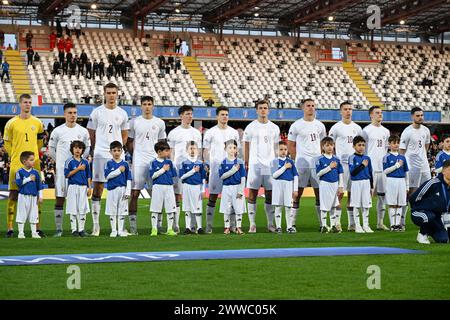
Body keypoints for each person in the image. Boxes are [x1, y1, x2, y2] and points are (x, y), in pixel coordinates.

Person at [87, 82, 129, 237]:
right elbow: (90, 133)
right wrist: (95, 148)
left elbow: (124, 134)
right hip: (100, 153)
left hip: (117, 154)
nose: (111, 95)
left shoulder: (123, 113)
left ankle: (120, 227)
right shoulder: (97, 112)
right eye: (109, 93)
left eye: (114, 93)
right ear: (104, 94)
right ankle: (96, 226)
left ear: (117, 94)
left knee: (121, 189)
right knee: (98, 188)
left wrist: (118, 150)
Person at [3, 94, 45, 238]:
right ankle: (10, 227)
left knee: (36, 195)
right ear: (20, 104)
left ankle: (37, 228)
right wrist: (15, 155)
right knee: (14, 194)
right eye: (25, 102)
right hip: (16, 164)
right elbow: (7, 143)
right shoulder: (11, 123)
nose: (27, 105)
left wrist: (34, 156)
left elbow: (40, 143)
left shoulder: (38, 123)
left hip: (35, 163)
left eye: (29, 102)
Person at [48, 103, 90, 237]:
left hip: (78, 172)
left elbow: (87, 148)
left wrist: (78, 161)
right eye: (70, 113)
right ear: (64, 114)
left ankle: (80, 229)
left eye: (75, 113)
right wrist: (61, 163)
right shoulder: (58, 131)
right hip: (62, 173)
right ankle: (59, 229)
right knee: (60, 199)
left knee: (79, 201)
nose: (73, 115)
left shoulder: (83, 131)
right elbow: (51, 150)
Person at [127, 96, 166, 235]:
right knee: (135, 192)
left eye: (150, 104)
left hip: (155, 161)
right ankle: (133, 226)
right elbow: (129, 142)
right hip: (139, 161)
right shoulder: (134, 122)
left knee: (157, 193)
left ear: (153, 106)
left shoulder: (160, 123)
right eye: (144, 104)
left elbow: (162, 143)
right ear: (141, 106)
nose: (147, 106)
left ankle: (158, 226)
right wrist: (135, 154)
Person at [288, 99, 326, 232]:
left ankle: (323, 224)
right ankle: (291, 224)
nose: (311, 108)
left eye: (313, 106)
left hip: (316, 164)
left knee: (319, 194)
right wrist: (295, 160)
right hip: (301, 164)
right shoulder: (296, 125)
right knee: (297, 194)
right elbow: (291, 145)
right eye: (308, 106)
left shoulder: (320, 125)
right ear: (303, 108)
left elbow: (323, 144)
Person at [244, 99, 280, 233]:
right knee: (252, 194)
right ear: (256, 110)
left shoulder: (274, 128)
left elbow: (276, 147)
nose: (263, 110)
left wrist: (276, 162)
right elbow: (246, 145)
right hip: (255, 164)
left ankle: (270, 224)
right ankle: (252, 224)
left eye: (265, 108)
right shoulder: (251, 127)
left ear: (268, 110)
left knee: (270, 194)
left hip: (269, 165)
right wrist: (247, 161)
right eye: (260, 108)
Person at [203, 106, 240, 233]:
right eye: (222, 114)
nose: (225, 116)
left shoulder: (234, 132)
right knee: (212, 196)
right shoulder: (210, 132)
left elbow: (237, 151)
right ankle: (208, 225)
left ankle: (233, 226)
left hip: (232, 169)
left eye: (226, 114)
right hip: (216, 169)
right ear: (217, 116)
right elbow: (206, 151)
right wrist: (207, 163)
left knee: (234, 198)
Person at [167, 105, 202, 233]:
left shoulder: (196, 133)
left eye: (191, 114)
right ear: (181, 116)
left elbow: (199, 151)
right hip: (179, 169)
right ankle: (176, 225)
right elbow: (170, 152)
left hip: (194, 170)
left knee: (193, 197)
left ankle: (193, 225)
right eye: (187, 114)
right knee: (177, 197)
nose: (190, 116)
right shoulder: (174, 133)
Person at [328, 101, 363, 231]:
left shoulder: (358, 128)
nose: (348, 111)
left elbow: (361, 146)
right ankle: (336, 223)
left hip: (355, 166)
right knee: (340, 194)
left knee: (353, 195)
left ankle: (352, 223)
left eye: (350, 109)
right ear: (340, 111)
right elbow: (330, 145)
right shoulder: (336, 128)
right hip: (341, 166)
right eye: (345, 109)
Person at [399, 107, 431, 231]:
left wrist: (422, 157)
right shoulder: (407, 131)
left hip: (424, 166)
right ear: (412, 116)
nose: (420, 117)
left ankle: (426, 218)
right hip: (412, 167)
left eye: (422, 115)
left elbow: (426, 145)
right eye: (418, 115)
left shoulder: (426, 130)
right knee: (409, 193)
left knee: (428, 191)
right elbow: (402, 151)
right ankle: (401, 221)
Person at [362, 106, 390, 230]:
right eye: (377, 113)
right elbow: (362, 149)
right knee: (368, 196)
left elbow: (385, 149)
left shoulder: (386, 131)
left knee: (382, 196)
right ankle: (365, 223)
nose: (380, 115)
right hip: (371, 168)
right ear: (371, 115)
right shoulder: (366, 130)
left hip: (383, 168)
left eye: (381, 113)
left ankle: (380, 223)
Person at [410, 159, 450, 244]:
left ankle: (430, 231)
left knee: (443, 239)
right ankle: (422, 234)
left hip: (436, 217)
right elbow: (413, 197)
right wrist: (416, 208)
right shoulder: (433, 183)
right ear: (443, 171)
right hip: (419, 212)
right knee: (428, 217)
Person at [316, 137, 344, 233]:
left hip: (335, 184)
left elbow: (340, 173)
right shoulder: (319, 159)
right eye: (327, 145)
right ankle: (323, 226)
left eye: (331, 145)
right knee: (324, 205)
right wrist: (329, 167)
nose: (330, 147)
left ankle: (333, 226)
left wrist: (341, 186)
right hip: (324, 184)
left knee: (333, 205)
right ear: (323, 147)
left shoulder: (337, 159)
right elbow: (318, 173)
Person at [149, 141, 178, 236]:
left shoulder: (170, 162)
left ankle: (169, 229)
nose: (168, 152)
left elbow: (174, 175)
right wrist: (163, 170)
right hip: (158, 187)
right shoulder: (153, 162)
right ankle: (154, 229)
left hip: (169, 187)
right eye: (166, 151)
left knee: (170, 209)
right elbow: (152, 176)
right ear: (159, 152)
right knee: (155, 209)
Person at [218, 139, 247, 235]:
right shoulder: (223, 163)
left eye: (234, 148)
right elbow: (222, 176)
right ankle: (227, 227)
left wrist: (241, 191)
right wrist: (233, 170)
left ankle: (238, 227)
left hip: (237, 187)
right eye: (229, 147)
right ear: (225, 149)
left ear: (236, 150)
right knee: (226, 209)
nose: (232, 149)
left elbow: (243, 177)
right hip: (226, 188)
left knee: (238, 208)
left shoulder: (240, 162)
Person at [64, 140, 92, 237]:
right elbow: (67, 175)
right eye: (75, 148)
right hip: (72, 187)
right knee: (73, 208)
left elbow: (89, 176)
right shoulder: (69, 161)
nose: (77, 150)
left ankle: (81, 229)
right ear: (72, 149)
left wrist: (90, 187)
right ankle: (74, 230)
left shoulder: (86, 162)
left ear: (82, 150)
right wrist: (78, 169)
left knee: (82, 209)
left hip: (83, 187)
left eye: (80, 148)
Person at [104, 141, 132, 237]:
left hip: (123, 189)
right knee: (112, 210)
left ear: (122, 151)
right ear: (110, 152)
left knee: (122, 210)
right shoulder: (108, 163)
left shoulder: (125, 164)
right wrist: (118, 171)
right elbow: (107, 176)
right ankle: (113, 230)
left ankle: (120, 230)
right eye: (114, 150)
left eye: (118, 150)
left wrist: (128, 191)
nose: (116, 152)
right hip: (112, 190)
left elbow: (129, 178)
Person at [179, 141, 207, 235]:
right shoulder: (184, 163)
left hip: (197, 188)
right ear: (187, 150)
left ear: (198, 151)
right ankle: (188, 227)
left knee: (198, 208)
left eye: (194, 148)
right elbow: (182, 177)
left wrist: (203, 190)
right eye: (190, 148)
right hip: (187, 187)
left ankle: (199, 227)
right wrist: (193, 171)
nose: (192, 150)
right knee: (187, 208)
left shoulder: (200, 163)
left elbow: (203, 177)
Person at [383, 134, 409, 231]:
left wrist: (407, 186)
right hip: (391, 180)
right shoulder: (387, 157)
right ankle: (392, 224)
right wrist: (397, 166)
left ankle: (397, 224)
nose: (396, 145)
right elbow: (385, 171)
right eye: (394, 143)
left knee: (400, 203)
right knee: (392, 202)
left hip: (401, 181)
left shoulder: (403, 157)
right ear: (389, 144)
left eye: (398, 143)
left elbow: (406, 172)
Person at [271, 141, 298, 233]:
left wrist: (295, 189)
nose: (283, 151)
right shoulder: (274, 161)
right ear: (276, 150)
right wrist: (285, 167)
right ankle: (278, 227)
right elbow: (274, 175)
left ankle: (289, 227)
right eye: (281, 149)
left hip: (288, 185)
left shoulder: (291, 161)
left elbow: (296, 175)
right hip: (278, 185)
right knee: (278, 206)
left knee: (288, 206)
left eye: (285, 149)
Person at [15, 151, 43, 239]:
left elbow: (40, 186)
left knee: (34, 214)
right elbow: (19, 183)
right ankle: (21, 233)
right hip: (23, 196)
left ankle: (34, 233)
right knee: (21, 213)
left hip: (33, 197)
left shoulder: (36, 172)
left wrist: (41, 196)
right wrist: (29, 179)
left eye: (33, 159)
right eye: (31, 160)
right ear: (24, 161)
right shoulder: (19, 172)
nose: (33, 161)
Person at [348, 136, 373, 233]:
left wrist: (371, 186)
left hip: (366, 183)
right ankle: (357, 225)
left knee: (366, 205)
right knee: (356, 205)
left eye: (363, 145)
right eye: (359, 145)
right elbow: (353, 172)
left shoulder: (367, 158)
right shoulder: (352, 158)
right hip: (356, 183)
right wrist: (362, 165)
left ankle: (366, 225)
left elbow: (370, 172)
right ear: (354, 146)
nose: (361, 147)